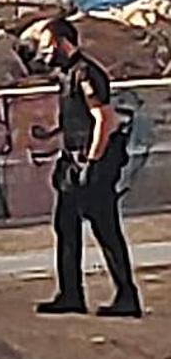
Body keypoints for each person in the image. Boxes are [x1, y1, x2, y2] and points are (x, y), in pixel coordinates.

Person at [34, 18, 141, 318]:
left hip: (91, 162)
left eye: (46, 45)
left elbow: (104, 119)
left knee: (105, 230)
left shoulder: (86, 74)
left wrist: (92, 164)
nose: (44, 52)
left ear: (60, 42)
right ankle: (70, 294)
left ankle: (126, 295)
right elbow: (77, 118)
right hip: (72, 161)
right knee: (66, 228)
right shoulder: (68, 74)